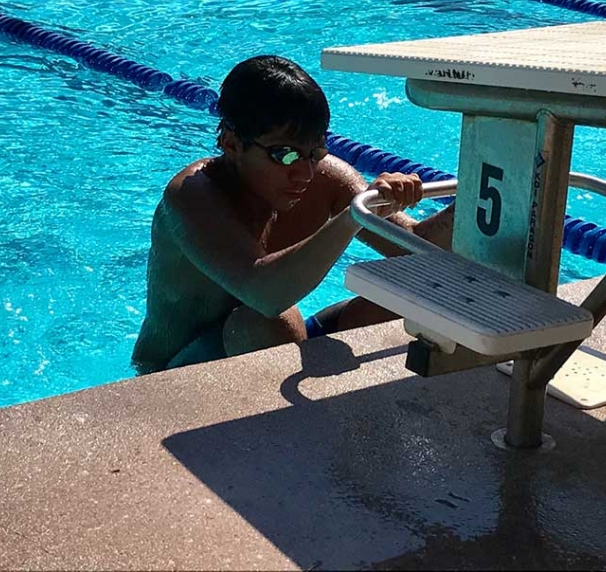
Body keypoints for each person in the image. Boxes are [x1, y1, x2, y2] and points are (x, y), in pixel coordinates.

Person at [131, 55, 454, 374]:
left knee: (404, 298)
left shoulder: (326, 179)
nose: (304, 174)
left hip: (279, 347)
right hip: (176, 371)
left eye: (314, 154)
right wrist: (353, 218)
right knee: (265, 322)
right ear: (231, 144)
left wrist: (482, 194)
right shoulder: (193, 196)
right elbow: (266, 295)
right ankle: (314, 419)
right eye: (283, 155)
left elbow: (417, 249)